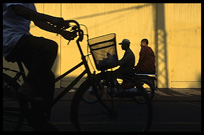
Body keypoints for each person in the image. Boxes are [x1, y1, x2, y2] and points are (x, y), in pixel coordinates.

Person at [3, 3, 76, 131]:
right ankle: (26, 87)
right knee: (49, 47)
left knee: (47, 79)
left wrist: (61, 32)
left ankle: (40, 121)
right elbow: (20, 10)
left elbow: (38, 21)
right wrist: (51, 18)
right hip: (10, 39)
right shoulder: (22, 6)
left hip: (21, 39)